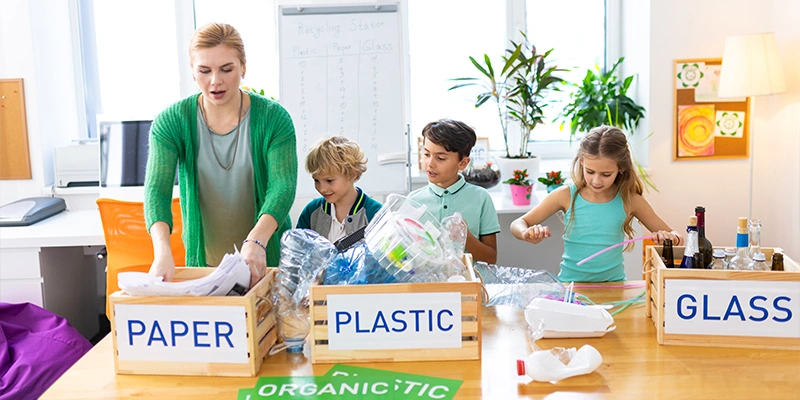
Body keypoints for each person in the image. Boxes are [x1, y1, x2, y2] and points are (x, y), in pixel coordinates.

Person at [144, 22, 297, 286]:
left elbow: (282, 187)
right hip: (204, 267)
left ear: (244, 68)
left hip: (265, 259)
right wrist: (162, 251)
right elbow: (157, 190)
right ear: (193, 72)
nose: (216, 81)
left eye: (227, 69)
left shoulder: (274, 118)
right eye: (204, 71)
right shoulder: (172, 121)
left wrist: (257, 240)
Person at [510, 125, 681, 282]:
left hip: (614, 287)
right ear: (582, 161)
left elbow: (675, 236)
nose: (596, 180)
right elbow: (517, 224)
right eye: (590, 172)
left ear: (621, 168)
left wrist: (669, 237)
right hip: (571, 286)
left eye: (606, 174)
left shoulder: (630, 200)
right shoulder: (565, 195)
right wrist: (526, 233)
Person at [409, 119, 500, 264]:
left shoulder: (481, 198)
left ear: (463, 163)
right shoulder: (413, 200)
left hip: (466, 283)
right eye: (426, 154)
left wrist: (466, 237)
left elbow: (490, 259)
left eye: (440, 158)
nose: (430, 163)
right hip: (426, 284)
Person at [296, 136, 382, 243]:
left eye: (329, 180)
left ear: (352, 175)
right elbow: (298, 252)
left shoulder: (376, 214)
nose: (322, 189)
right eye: (316, 180)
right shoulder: (311, 212)